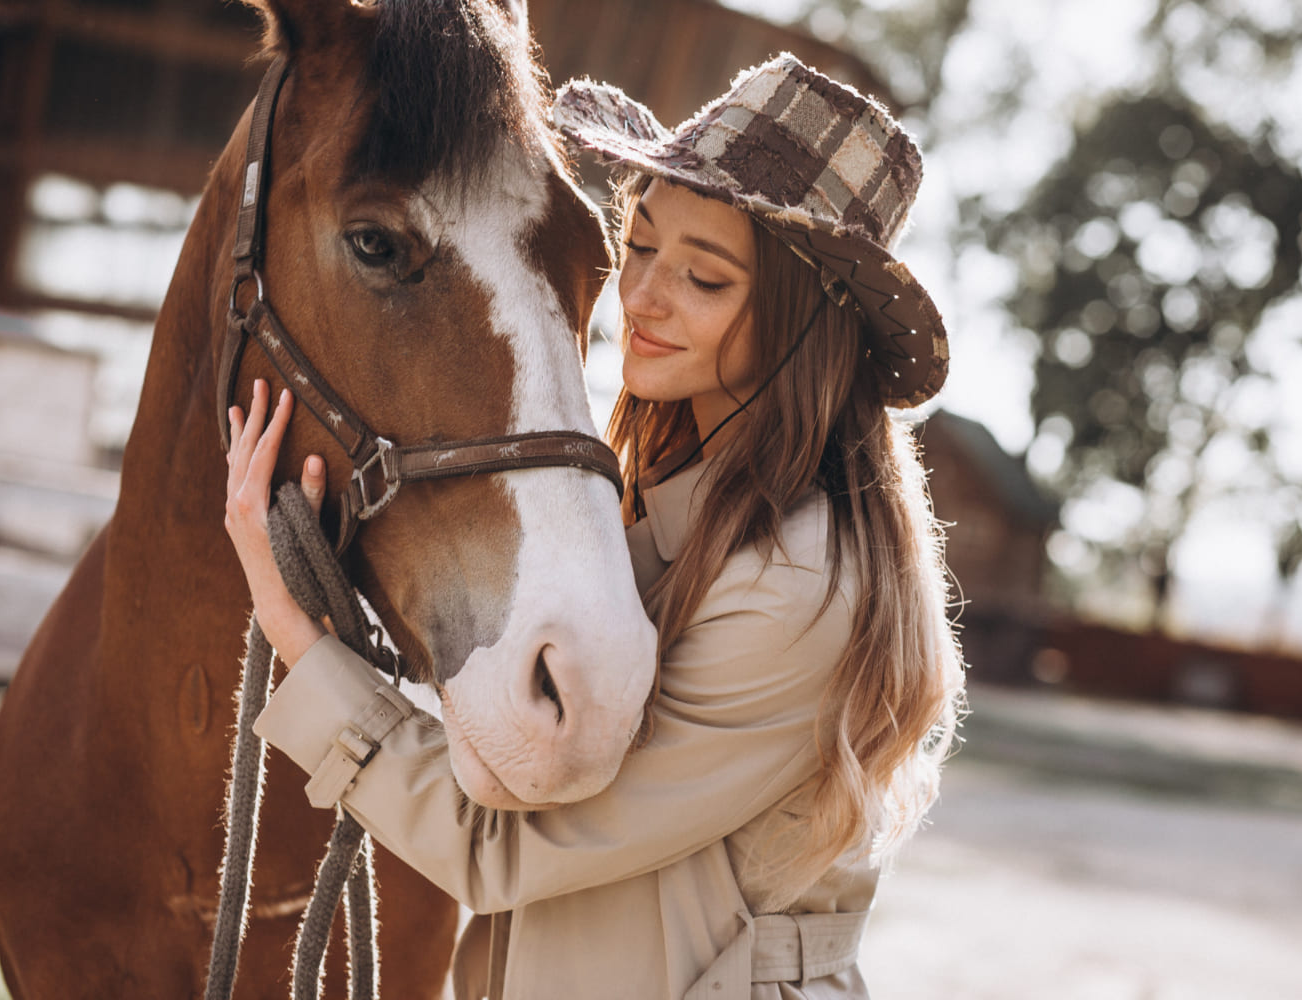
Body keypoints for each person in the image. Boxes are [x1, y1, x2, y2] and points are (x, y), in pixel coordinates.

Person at [224, 53, 965, 1000]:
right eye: (642, 247)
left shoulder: (801, 586)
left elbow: (507, 851)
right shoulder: (648, 511)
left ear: (796, 323)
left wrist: (297, 632)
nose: (645, 299)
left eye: (705, 279)